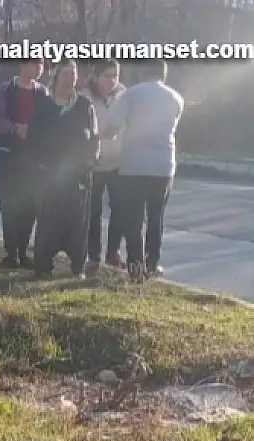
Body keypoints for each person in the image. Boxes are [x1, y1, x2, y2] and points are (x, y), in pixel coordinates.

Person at [103, 59, 184, 281]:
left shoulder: (130, 95)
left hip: (134, 165)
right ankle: (152, 263)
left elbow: (112, 126)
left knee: (134, 218)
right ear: (164, 75)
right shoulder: (176, 98)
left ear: (142, 73)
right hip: (164, 164)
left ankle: (135, 267)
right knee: (156, 217)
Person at [27, 60, 100, 279]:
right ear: (56, 76)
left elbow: (94, 138)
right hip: (48, 174)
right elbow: (33, 138)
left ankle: (77, 266)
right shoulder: (43, 104)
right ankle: (43, 266)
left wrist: (89, 162)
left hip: (77, 175)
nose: (71, 78)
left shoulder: (84, 105)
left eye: (74, 73)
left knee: (77, 222)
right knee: (48, 220)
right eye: (66, 73)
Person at [0, 58, 48, 269]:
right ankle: (11, 252)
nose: (39, 68)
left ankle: (24, 250)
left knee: (30, 205)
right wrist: (16, 128)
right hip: (9, 155)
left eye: (42, 64)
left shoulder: (43, 93)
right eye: (35, 64)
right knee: (10, 204)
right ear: (23, 65)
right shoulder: (6, 90)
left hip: (34, 157)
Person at [80, 59, 127, 273]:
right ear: (96, 76)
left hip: (118, 162)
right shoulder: (84, 98)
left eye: (115, 75)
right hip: (94, 163)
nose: (112, 80)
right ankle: (93, 256)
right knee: (93, 212)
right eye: (107, 76)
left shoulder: (124, 95)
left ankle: (113, 252)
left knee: (119, 209)